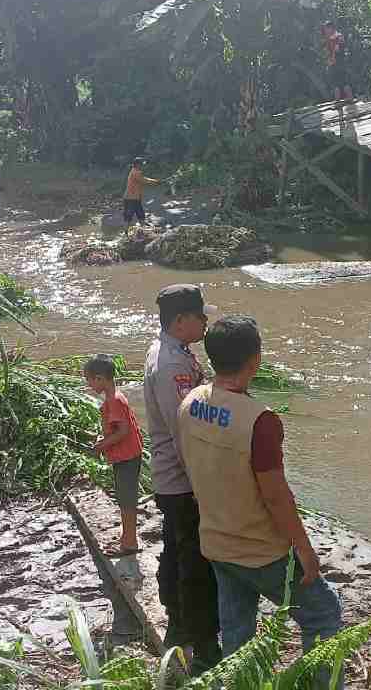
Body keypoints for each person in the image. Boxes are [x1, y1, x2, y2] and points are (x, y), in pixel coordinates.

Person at [178, 316, 344, 690]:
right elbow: (275, 495)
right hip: (262, 551)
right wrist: (304, 548)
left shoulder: (190, 403)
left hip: (217, 543)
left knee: (238, 633)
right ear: (255, 361)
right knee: (323, 614)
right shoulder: (260, 421)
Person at [143, 284, 222, 672]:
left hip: (175, 477)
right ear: (180, 321)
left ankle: (178, 628)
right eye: (199, 316)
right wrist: (205, 484)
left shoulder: (175, 353)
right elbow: (184, 431)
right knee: (196, 562)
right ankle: (202, 643)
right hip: (182, 479)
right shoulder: (172, 365)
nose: (205, 321)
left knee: (178, 552)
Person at [84, 354, 145, 558]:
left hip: (127, 456)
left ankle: (129, 543)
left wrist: (101, 445)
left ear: (100, 378)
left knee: (126, 499)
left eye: (90, 380)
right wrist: (103, 437)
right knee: (124, 497)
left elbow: (123, 431)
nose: (89, 384)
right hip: (126, 455)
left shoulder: (114, 401)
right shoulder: (115, 397)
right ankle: (127, 537)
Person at [321, 21, 353, 101]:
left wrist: (332, 59)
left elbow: (337, 50)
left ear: (330, 28)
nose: (325, 30)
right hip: (335, 63)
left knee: (341, 83)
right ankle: (340, 101)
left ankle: (346, 100)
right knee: (337, 84)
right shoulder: (330, 38)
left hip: (338, 63)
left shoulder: (337, 36)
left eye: (326, 28)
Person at [123, 157, 160, 226]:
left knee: (140, 214)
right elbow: (143, 180)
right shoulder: (135, 172)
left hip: (135, 197)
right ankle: (126, 232)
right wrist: (155, 182)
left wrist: (154, 181)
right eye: (141, 164)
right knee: (129, 217)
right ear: (137, 164)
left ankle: (143, 228)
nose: (142, 166)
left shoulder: (135, 171)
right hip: (131, 198)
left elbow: (143, 178)